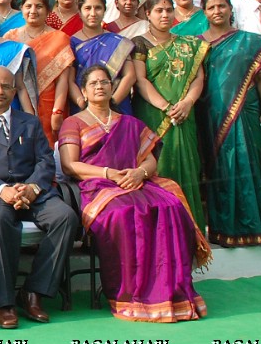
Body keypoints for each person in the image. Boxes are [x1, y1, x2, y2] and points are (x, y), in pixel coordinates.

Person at [59, 65, 210, 322]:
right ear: (83, 91)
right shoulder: (72, 123)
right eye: (93, 83)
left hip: (136, 181)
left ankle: (171, 293)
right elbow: (70, 165)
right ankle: (129, 294)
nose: (99, 87)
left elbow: (150, 161)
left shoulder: (130, 123)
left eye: (104, 82)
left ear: (112, 87)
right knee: (124, 213)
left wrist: (140, 173)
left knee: (169, 207)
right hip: (98, 187)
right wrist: (109, 173)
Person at [0, 66, 79, 329]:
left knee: (66, 217)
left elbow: (45, 160)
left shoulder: (30, 122)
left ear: (14, 91)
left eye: (5, 86)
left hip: (34, 193)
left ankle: (34, 292)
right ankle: (6, 302)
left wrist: (33, 188)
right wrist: (3, 190)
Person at [196, 0, 261, 246]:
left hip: (245, 114)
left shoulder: (249, 41)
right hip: (210, 116)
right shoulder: (196, 44)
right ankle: (224, 230)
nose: (217, 11)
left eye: (222, 6)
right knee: (220, 170)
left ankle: (255, 228)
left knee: (246, 167)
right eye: (211, 7)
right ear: (204, 12)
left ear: (230, 9)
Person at [132, 0, 209, 230]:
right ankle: (162, 229)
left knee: (187, 165)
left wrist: (187, 103)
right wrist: (166, 107)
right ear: (148, 14)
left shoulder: (188, 44)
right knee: (159, 166)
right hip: (153, 114)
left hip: (184, 114)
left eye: (168, 10)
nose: (164, 15)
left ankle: (190, 228)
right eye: (159, 10)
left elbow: (198, 77)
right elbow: (141, 80)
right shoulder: (139, 43)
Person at [4, 0, 74, 143]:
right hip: (16, 100)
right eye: (28, 6)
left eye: (39, 6)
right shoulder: (10, 37)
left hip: (49, 102)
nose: (33, 11)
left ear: (49, 11)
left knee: (46, 146)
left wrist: (58, 111)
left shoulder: (60, 38)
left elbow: (63, 80)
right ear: (21, 9)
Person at [69, 0, 137, 114]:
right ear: (79, 12)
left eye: (98, 8)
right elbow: (70, 81)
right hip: (84, 109)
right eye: (87, 8)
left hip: (117, 107)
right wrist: (83, 104)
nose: (93, 13)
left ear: (105, 10)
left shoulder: (118, 42)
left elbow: (130, 76)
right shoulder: (72, 43)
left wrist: (112, 103)